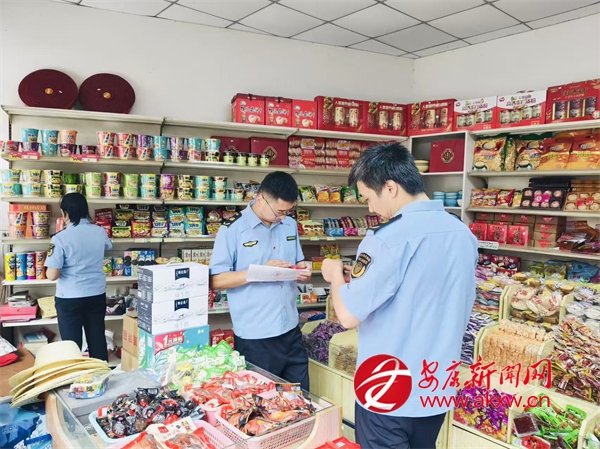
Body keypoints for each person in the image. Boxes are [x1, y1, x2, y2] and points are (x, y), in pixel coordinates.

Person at [321, 142, 478, 449]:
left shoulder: (387, 239)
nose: (370, 209)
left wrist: (335, 275)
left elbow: (347, 316)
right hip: (435, 388)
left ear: (390, 188)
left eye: (369, 198)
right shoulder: (462, 233)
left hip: (387, 388)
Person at [209, 171, 312, 390]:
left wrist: (303, 267)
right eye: (279, 212)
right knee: (263, 401)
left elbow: (297, 260)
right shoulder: (232, 230)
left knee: (300, 396)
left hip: (291, 329)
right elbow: (216, 280)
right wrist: (258, 272)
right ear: (261, 198)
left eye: (288, 211)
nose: (283, 217)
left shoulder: (289, 225)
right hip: (256, 336)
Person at [45, 193, 112, 361]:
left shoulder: (60, 238)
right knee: (97, 338)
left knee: (72, 345)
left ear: (65, 213)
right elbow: (108, 246)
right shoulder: (100, 231)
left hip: (70, 297)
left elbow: (52, 275)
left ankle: (76, 376)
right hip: (96, 294)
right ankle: (101, 373)